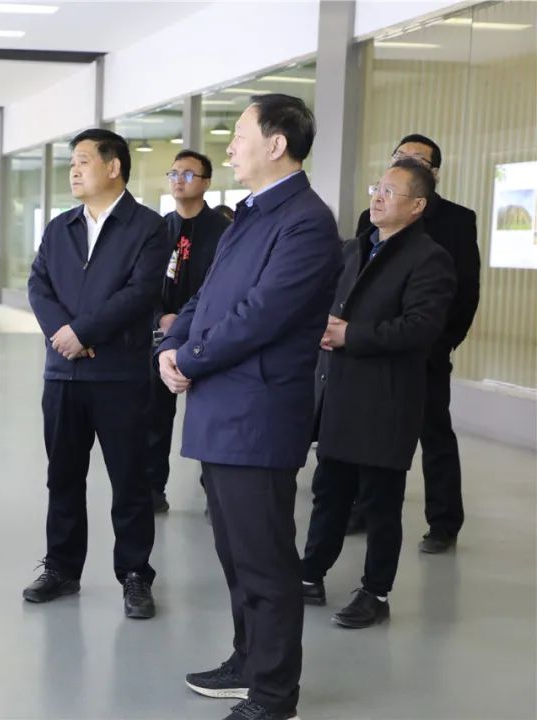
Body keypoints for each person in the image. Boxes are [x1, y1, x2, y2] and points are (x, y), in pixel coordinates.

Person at [156, 95, 342, 720]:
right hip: (222, 409)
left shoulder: (306, 222)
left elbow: (261, 316)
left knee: (264, 560)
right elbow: (207, 297)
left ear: (277, 143)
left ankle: (273, 694)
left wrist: (189, 358)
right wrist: (171, 346)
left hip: (257, 415)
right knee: (236, 555)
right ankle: (247, 660)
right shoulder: (251, 214)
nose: (230, 148)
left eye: (239, 135)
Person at [301, 160, 456, 628]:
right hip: (339, 392)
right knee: (329, 492)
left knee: (380, 503)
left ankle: (375, 592)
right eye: (377, 188)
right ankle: (310, 573)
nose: (378, 197)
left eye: (391, 191)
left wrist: (351, 335)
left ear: (418, 205)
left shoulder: (429, 258)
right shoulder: (355, 249)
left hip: (386, 399)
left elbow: (421, 328)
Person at [24, 128, 171, 620]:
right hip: (62, 375)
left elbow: (141, 293)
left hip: (119, 376)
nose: (74, 170)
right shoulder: (60, 227)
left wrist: (82, 332)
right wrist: (61, 334)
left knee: (130, 480)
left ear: (114, 167)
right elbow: (38, 284)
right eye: (72, 163)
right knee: (63, 477)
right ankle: (61, 568)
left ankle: (135, 574)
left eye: (83, 161)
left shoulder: (147, 227)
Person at [347, 134, 480, 554]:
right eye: (400, 155)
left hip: (426, 349)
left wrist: (442, 343)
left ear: (433, 174)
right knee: (368, 431)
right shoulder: (372, 215)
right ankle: (362, 509)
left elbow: (466, 291)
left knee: (434, 433)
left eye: (418, 159)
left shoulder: (457, 220)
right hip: (373, 348)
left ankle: (443, 523)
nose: (406, 162)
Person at [147, 150, 230, 514]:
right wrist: (160, 318)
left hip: (208, 336)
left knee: (212, 418)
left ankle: (215, 494)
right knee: (154, 417)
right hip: (161, 335)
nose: (179, 180)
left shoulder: (224, 231)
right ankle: (153, 489)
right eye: (174, 173)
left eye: (188, 174)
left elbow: (225, 286)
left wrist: (190, 324)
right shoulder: (156, 230)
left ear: (206, 182)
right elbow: (141, 282)